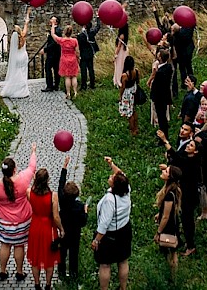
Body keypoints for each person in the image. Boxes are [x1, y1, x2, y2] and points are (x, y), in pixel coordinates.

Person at [0, 144, 39, 283]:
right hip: (22, 221)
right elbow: (32, 167)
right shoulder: (23, 179)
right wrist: (33, 151)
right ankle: (19, 272)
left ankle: (3, 271)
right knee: (19, 246)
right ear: (15, 169)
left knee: (5, 245)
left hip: (4, 222)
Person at [159, 124, 201, 256]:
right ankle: (181, 239)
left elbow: (177, 159)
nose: (188, 146)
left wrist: (165, 140)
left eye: (191, 146)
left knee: (187, 219)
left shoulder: (192, 162)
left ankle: (190, 245)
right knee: (181, 216)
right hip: (184, 192)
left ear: (195, 152)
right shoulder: (188, 158)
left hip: (189, 195)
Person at [91, 157, 132, 290]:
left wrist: (97, 240)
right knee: (123, 260)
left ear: (113, 185)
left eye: (112, 177)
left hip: (110, 236)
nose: (111, 176)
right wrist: (111, 164)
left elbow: (104, 225)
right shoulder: (126, 190)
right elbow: (121, 174)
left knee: (105, 264)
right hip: (124, 230)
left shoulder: (110, 200)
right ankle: (123, 288)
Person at [28, 168, 63, 290]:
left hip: (35, 226)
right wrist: (61, 229)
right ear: (48, 180)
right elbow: (56, 216)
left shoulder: (29, 192)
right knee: (49, 259)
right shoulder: (53, 196)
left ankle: (37, 284)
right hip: (48, 228)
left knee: (35, 259)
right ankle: (48, 285)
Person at [57, 155, 88, 285]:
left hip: (63, 231)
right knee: (74, 253)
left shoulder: (62, 200)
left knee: (62, 252)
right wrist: (85, 211)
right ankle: (74, 273)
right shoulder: (80, 206)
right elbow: (83, 222)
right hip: (75, 234)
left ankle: (61, 271)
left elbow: (60, 183)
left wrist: (64, 167)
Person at [154, 164, 182, 280]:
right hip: (173, 224)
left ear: (170, 177)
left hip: (168, 226)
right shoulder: (172, 190)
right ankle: (172, 275)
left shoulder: (169, 195)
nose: (163, 171)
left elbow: (166, 216)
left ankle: (171, 275)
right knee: (173, 250)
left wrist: (158, 232)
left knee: (170, 251)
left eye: (166, 171)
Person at [0, 13, 31, 99]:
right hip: (23, 57)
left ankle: (13, 88)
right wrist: (26, 21)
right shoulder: (23, 37)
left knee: (16, 73)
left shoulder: (14, 39)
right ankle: (23, 90)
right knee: (23, 73)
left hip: (17, 58)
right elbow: (25, 28)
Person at [148, 49, 175, 142]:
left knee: (161, 118)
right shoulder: (168, 67)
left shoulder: (159, 73)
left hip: (160, 98)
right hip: (165, 96)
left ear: (160, 58)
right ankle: (164, 134)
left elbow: (155, 87)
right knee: (162, 117)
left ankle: (163, 137)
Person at [52, 20, 81, 99]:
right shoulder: (74, 41)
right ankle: (75, 92)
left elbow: (53, 35)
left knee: (67, 77)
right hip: (73, 59)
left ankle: (68, 93)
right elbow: (77, 51)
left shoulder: (62, 40)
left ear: (65, 32)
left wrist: (53, 26)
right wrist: (78, 59)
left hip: (64, 59)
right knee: (74, 76)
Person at [117, 55, 139, 136]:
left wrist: (120, 96)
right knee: (134, 110)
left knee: (129, 113)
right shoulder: (136, 71)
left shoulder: (125, 75)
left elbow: (123, 87)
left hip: (127, 94)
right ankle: (136, 128)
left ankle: (132, 130)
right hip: (133, 90)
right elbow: (138, 81)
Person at [77, 16, 101, 90]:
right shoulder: (92, 33)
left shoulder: (80, 36)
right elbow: (98, 27)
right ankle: (92, 84)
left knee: (83, 71)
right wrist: (98, 18)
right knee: (91, 69)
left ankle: (83, 85)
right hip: (90, 54)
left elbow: (79, 46)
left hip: (83, 55)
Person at [39, 17, 62, 93]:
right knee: (55, 69)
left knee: (48, 68)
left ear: (56, 22)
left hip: (53, 53)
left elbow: (54, 43)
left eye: (52, 19)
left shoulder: (57, 31)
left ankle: (50, 86)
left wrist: (45, 50)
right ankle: (55, 85)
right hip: (55, 53)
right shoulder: (55, 30)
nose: (50, 20)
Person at [170, 20, 195, 86]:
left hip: (181, 52)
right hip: (188, 50)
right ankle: (191, 81)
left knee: (182, 68)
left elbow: (176, 30)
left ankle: (185, 83)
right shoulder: (188, 28)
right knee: (188, 66)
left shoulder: (178, 34)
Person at [112, 11, 129, 88]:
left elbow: (119, 46)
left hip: (121, 52)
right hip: (125, 51)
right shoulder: (125, 34)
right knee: (123, 66)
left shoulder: (121, 36)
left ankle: (118, 80)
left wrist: (115, 55)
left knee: (119, 66)